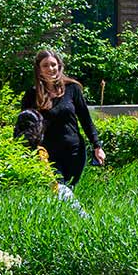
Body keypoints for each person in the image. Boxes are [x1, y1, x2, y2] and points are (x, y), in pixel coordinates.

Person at [20, 49, 105, 187]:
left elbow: (85, 119)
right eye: (45, 65)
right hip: (47, 154)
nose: (50, 69)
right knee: (57, 189)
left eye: (53, 64)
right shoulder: (31, 95)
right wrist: (29, 151)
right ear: (39, 69)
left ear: (59, 66)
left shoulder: (72, 89)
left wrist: (97, 146)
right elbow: (25, 126)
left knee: (70, 189)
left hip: (74, 152)